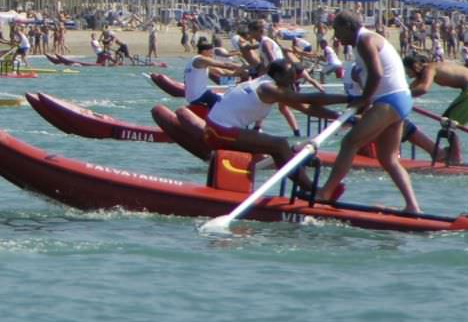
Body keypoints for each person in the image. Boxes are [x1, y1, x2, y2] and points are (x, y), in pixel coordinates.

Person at [312, 12, 421, 213]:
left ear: (349, 27)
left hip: (390, 100)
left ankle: (325, 193)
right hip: (400, 99)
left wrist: (363, 101)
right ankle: (413, 206)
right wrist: (361, 82)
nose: (336, 36)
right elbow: (375, 76)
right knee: (388, 159)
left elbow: (377, 74)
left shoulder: (365, 40)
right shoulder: (364, 41)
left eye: (337, 29)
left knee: (349, 143)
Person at [201, 59, 336, 170]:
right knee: (280, 145)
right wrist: (347, 99)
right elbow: (306, 100)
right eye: (289, 77)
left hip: (214, 127)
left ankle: (292, 155)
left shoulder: (265, 82)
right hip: (220, 131)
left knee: (275, 148)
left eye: (294, 78)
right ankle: (309, 189)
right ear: (277, 76)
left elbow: (306, 108)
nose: (292, 81)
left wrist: (338, 116)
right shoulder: (269, 88)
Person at [180, 39, 236, 111]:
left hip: (190, 97)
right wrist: (241, 66)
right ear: (204, 51)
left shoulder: (196, 62)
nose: (213, 54)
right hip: (199, 96)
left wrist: (235, 73)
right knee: (222, 103)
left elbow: (221, 72)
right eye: (211, 52)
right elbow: (224, 64)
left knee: (211, 94)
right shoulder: (200, 60)